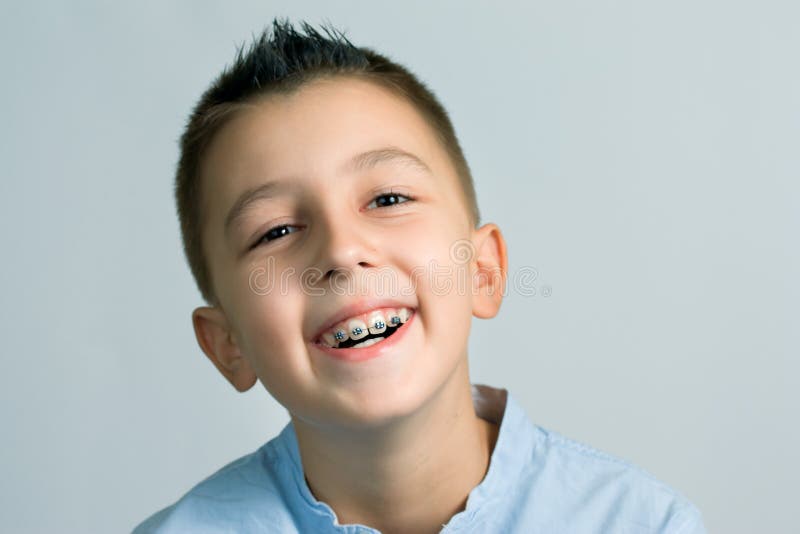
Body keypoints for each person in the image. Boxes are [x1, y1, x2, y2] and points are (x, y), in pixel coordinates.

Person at [133, 18, 706, 534]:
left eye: (386, 198)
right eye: (277, 231)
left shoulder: (642, 524)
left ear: (481, 271)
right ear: (228, 344)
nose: (342, 250)